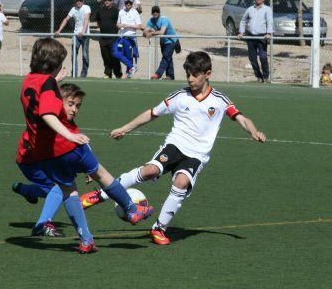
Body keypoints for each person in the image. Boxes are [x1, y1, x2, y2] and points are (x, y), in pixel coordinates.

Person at [80, 51, 267, 246]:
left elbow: (241, 118)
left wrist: (253, 131)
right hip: (175, 146)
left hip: (197, 155)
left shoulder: (220, 100)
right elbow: (152, 113)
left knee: (181, 182)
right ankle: (99, 195)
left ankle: (159, 228)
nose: (190, 79)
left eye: (195, 75)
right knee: (149, 171)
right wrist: (125, 129)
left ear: (208, 73)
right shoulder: (180, 96)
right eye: (188, 75)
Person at [14, 38, 152, 253]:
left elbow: (43, 96)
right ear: (53, 63)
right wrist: (69, 134)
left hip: (44, 153)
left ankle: (86, 240)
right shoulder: (48, 84)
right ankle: (131, 209)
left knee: (69, 191)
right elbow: (48, 113)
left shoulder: (28, 81)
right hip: (64, 145)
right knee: (102, 175)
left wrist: (54, 80)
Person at [237, 0, 274, 83]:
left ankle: (266, 76)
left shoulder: (267, 9)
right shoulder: (250, 9)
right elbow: (243, 21)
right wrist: (241, 32)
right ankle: (258, 76)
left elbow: (270, 21)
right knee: (252, 58)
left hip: (262, 37)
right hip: (250, 36)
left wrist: (269, 33)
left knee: (263, 57)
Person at [54, 0, 91, 78]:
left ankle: (83, 74)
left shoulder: (86, 7)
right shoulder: (73, 9)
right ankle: (74, 73)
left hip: (85, 35)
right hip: (76, 35)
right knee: (73, 54)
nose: (79, 2)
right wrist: (59, 30)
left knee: (85, 55)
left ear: (83, 1)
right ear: (75, 2)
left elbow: (86, 19)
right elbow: (66, 19)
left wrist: (83, 31)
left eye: (80, 0)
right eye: (77, 1)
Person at [91, 0, 122, 79]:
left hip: (113, 37)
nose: (107, 1)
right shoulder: (100, 10)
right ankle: (108, 73)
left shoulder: (116, 11)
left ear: (112, 1)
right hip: (103, 38)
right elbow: (98, 21)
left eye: (109, 0)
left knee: (114, 56)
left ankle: (118, 73)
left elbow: (119, 22)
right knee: (105, 56)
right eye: (105, 0)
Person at [144, 5, 178, 80]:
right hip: (163, 42)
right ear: (151, 13)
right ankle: (170, 76)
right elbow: (145, 30)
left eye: (157, 11)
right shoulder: (151, 20)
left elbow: (162, 32)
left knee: (165, 57)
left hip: (171, 41)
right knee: (168, 58)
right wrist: (146, 32)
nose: (155, 13)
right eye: (153, 11)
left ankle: (158, 74)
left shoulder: (164, 20)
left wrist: (151, 33)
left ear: (159, 12)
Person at [114, 0, 143, 78]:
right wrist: (119, 25)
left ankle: (128, 73)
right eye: (126, 3)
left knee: (128, 56)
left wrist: (127, 25)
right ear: (125, 3)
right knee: (115, 52)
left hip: (130, 37)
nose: (128, 4)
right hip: (120, 36)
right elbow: (117, 24)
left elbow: (139, 26)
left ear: (132, 4)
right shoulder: (121, 12)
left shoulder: (135, 12)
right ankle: (132, 67)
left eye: (129, 3)